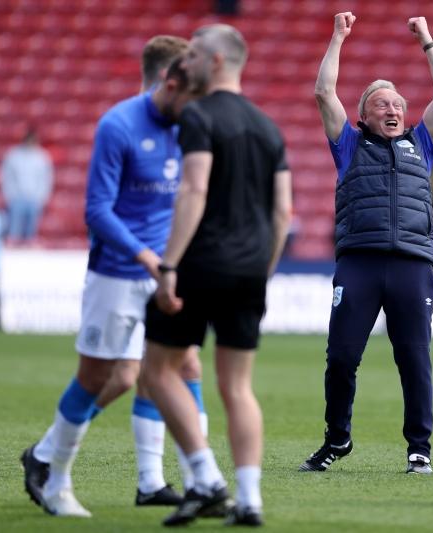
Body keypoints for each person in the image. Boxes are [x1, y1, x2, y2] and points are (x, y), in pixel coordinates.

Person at [20, 36, 206, 518]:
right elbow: (96, 210)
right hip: (120, 271)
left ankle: (188, 483)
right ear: (169, 82)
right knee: (107, 374)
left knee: (183, 366)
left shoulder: (191, 127)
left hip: (166, 272)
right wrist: (147, 257)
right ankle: (49, 467)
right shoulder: (119, 125)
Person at [139, 24, 292, 528]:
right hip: (250, 270)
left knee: (157, 370)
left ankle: (205, 476)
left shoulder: (200, 116)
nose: (188, 63)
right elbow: (283, 213)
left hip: (202, 263)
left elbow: (193, 190)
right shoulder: (270, 127)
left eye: (197, 55)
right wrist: (263, 271)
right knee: (237, 388)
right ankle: (250, 500)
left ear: (219, 61)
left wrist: (169, 267)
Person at [298, 12, 433, 476]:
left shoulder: (422, 144)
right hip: (360, 265)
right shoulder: (347, 145)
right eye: (382, 105)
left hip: (411, 266)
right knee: (342, 356)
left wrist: (427, 39)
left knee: (414, 358)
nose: (392, 111)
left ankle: (419, 447)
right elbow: (324, 92)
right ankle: (337, 438)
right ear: (363, 114)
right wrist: (337, 38)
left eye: (397, 106)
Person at [0, 126, 54, 243]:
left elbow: (46, 179)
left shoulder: (42, 157)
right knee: (14, 232)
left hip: (34, 198)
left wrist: (41, 197)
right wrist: (10, 196)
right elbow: (7, 177)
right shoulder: (13, 155)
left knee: (31, 233)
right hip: (16, 198)